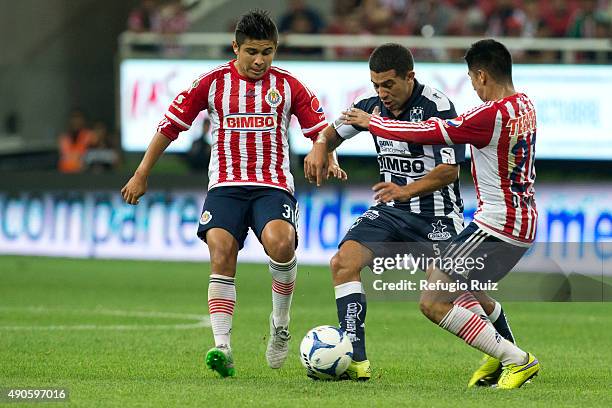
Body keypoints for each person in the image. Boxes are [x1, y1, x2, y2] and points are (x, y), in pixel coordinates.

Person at [121, 9, 345, 378]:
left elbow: (319, 130)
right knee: (222, 252)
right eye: (253, 52)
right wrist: (142, 173)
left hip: (271, 185)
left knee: (282, 244)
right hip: (225, 186)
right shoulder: (210, 83)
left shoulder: (289, 86)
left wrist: (329, 155)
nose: (260, 61)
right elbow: (169, 127)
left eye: (268, 52)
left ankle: (281, 322)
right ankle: (223, 347)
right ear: (235, 48)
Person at [304, 43, 517, 383]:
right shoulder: (371, 105)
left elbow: (449, 170)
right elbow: (333, 131)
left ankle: (509, 351)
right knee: (343, 263)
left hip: (438, 216)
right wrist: (321, 148)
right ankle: (356, 358)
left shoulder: (437, 106)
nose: (381, 93)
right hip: (390, 211)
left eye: (388, 84)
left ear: (409, 77)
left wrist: (406, 189)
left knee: (464, 293)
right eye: (376, 85)